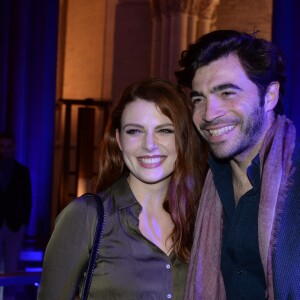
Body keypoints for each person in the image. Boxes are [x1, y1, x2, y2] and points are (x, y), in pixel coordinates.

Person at [37, 78, 208, 299]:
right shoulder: (86, 216)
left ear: (183, 138)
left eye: (164, 130)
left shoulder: (201, 218)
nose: (149, 144)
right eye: (134, 131)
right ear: (118, 139)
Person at [175, 29, 300, 300]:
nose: (209, 113)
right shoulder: (200, 188)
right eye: (199, 99)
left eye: (228, 92)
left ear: (270, 96)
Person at [0, 132, 32, 299]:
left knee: (11, 268)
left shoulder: (22, 171)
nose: (5, 149)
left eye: (8, 146)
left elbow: (28, 199)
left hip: (14, 225)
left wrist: (23, 223)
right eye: (2, 146)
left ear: (13, 148)